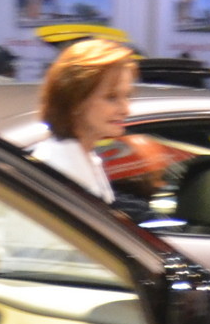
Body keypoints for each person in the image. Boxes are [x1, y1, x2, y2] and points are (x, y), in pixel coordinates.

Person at [29, 38, 139, 204]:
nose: (125, 109)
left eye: (127, 96)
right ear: (75, 100)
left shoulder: (86, 157)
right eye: (111, 97)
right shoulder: (56, 168)